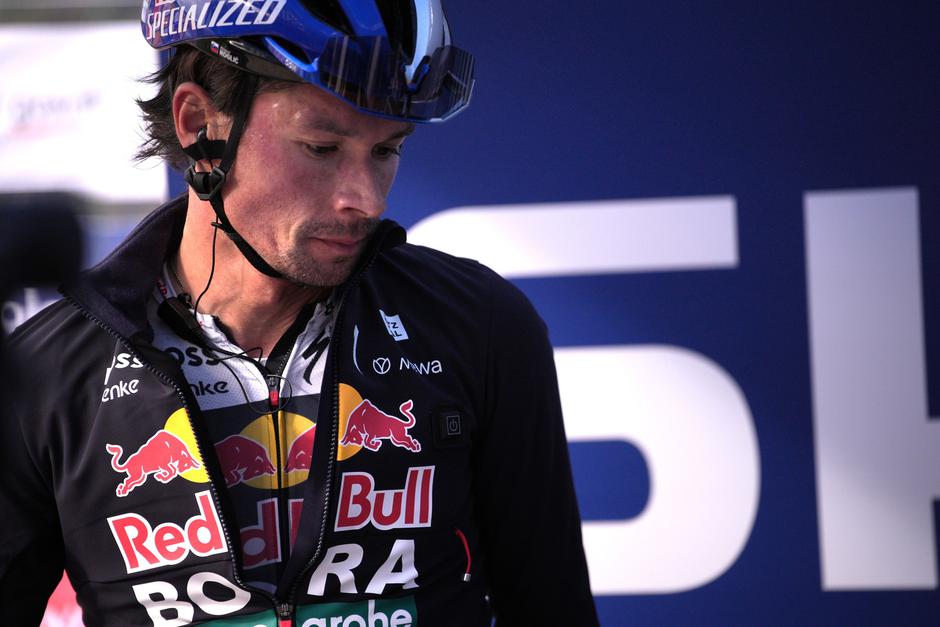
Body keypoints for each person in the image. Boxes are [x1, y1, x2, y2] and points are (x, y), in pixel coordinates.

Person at [0, 1, 598, 625]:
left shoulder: (478, 325)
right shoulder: (46, 374)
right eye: (321, 147)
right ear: (198, 124)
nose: (364, 200)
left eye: (386, 150)